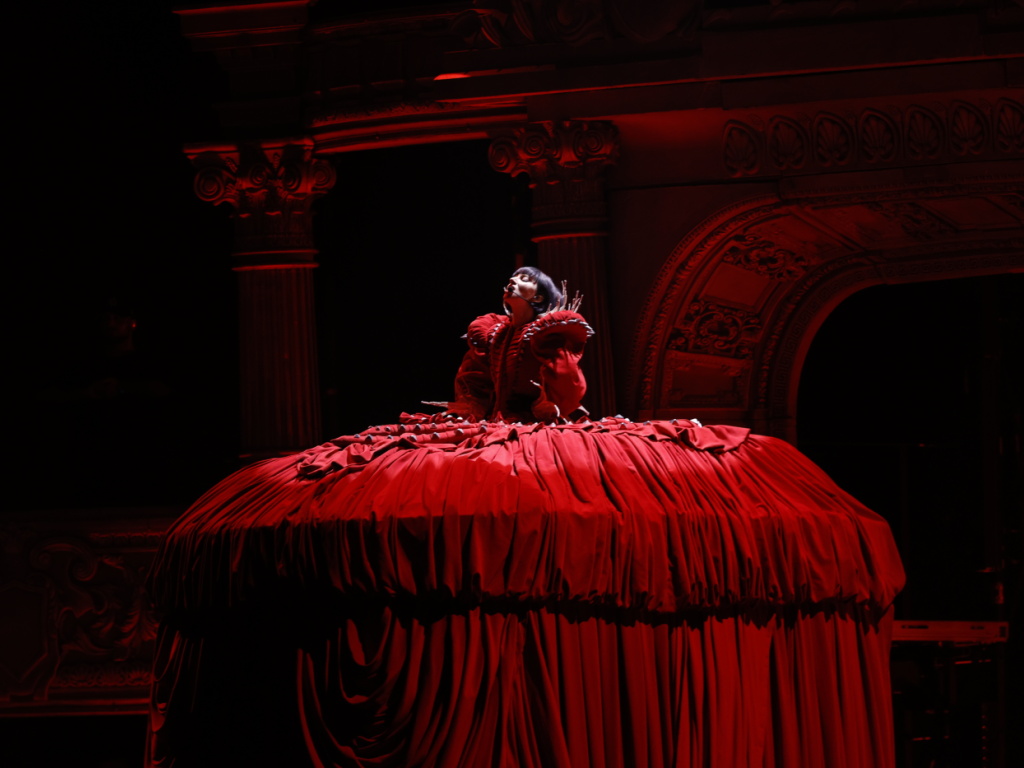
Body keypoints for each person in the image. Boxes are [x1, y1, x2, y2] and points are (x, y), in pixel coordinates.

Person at [443, 266, 592, 423]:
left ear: (538, 298)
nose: (512, 280)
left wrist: (550, 403)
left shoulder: (545, 332)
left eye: (525, 279)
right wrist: (474, 406)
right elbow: (475, 375)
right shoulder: (494, 332)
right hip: (496, 421)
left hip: (534, 424)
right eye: (513, 278)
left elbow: (566, 376)